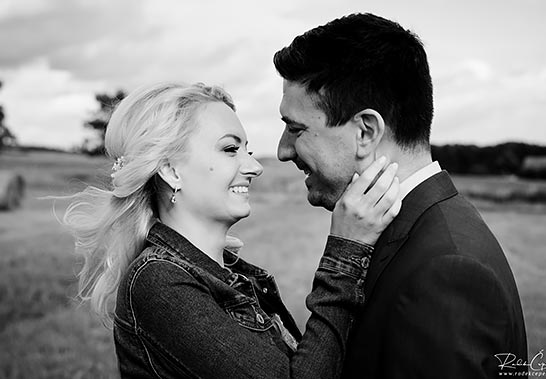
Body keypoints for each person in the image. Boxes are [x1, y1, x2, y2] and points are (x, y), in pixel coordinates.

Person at [57, 82, 401, 378]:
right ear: (170, 170)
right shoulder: (158, 282)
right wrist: (346, 252)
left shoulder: (232, 276)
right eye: (230, 149)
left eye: (248, 150)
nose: (253, 167)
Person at [273, 13, 528, 377]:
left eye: (296, 129)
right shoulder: (409, 229)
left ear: (365, 131)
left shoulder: (446, 274)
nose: (283, 151)